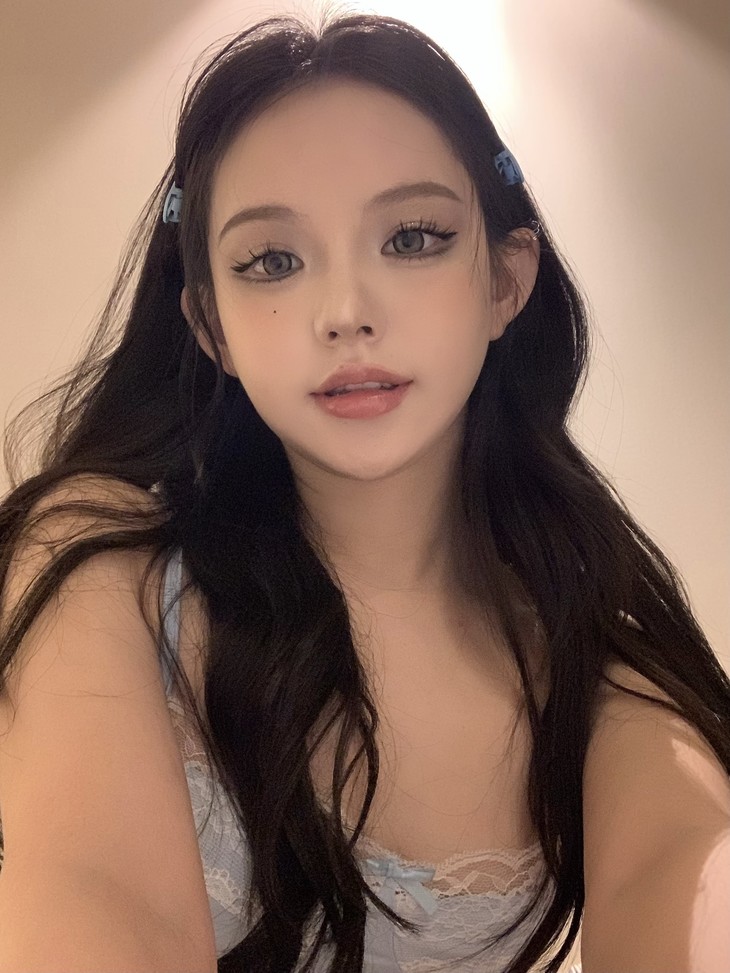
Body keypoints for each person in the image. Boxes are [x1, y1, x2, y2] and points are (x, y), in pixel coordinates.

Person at [0, 9, 728, 973]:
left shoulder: (588, 658)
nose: (345, 313)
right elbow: (104, 900)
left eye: (414, 237)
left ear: (507, 280)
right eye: (273, 261)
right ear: (211, 324)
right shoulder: (104, 558)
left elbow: (682, 868)